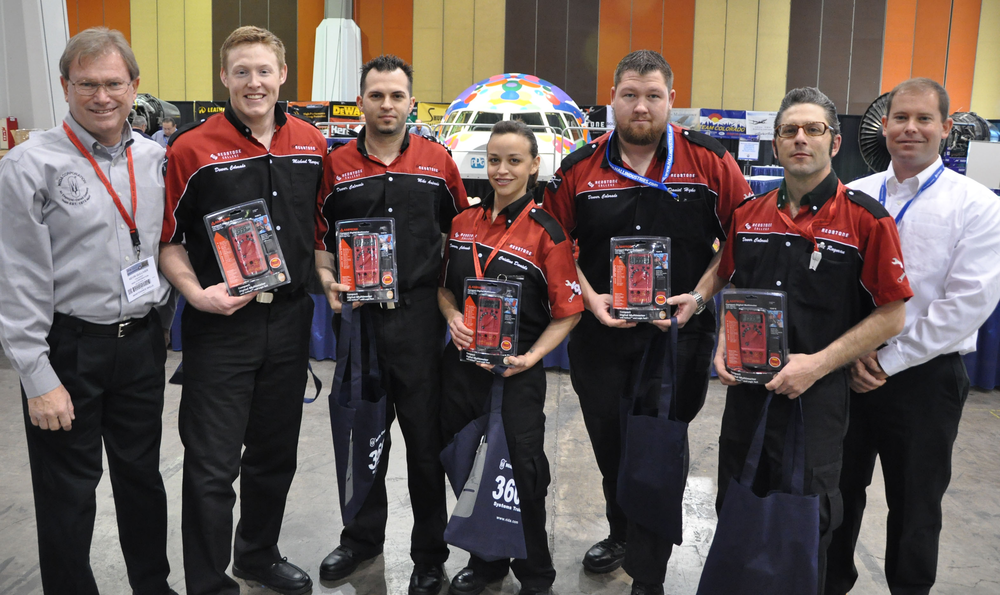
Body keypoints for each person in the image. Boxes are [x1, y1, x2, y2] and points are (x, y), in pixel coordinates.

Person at [542, 49, 753, 595]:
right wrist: (589, 299)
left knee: (659, 450)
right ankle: (622, 533)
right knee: (611, 447)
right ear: (612, 98)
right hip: (601, 338)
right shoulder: (578, 168)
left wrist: (702, 296)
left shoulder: (710, 162)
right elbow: (554, 244)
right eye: (630, 95)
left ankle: (649, 572)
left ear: (671, 100)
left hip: (678, 338)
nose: (641, 106)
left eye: (653, 96)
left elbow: (745, 234)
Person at [702, 86, 913, 595]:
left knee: (806, 513)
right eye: (790, 131)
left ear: (834, 142)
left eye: (813, 129)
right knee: (736, 500)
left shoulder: (866, 219)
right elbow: (730, 283)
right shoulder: (748, 215)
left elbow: (892, 314)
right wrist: (722, 346)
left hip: (815, 402)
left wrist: (816, 365)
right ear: (774, 146)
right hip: (747, 396)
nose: (801, 139)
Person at [0, 27, 176, 595]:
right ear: (64, 86)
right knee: (68, 492)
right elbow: (17, 278)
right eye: (87, 85)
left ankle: (152, 585)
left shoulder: (154, 160)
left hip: (143, 342)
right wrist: (36, 376)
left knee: (142, 480)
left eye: (114, 84)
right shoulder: (30, 165)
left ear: (135, 87)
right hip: (69, 346)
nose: (102, 97)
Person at [159, 26, 325, 595]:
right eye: (241, 72)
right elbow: (169, 241)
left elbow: (319, 230)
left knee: (275, 455)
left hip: (291, 318)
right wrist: (194, 293)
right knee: (210, 467)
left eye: (263, 71)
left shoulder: (311, 142)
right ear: (224, 78)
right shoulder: (190, 149)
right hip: (221, 324)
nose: (254, 82)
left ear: (282, 76)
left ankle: (257, 555)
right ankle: (207, 583)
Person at [825, 78, 1000, 595]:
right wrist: (849, 355)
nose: (910, 129)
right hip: (848, 371)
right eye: (900, 117)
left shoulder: (977, 205)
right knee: (835, 494)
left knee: (916, 504)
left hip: (925, 380)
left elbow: (967, 304)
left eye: (924, 119)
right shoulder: (854, 194)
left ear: (946, 128)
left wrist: (887, 360)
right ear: (884, 124)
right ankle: (830, 583)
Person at [315, 54, 469, 595]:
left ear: (411, 101)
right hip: (358, 323)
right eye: (376, 95)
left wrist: (455, 311)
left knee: (426, 444)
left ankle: (429, 554)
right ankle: (360, 539)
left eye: (396, 96)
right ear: (361, 101)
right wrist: (328, 277)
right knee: (362, 437)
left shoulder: (437, 161)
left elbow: (462, 236)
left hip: (420, 322)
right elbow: (319, 238)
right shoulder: (335, 165)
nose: (387, 105)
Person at [438, 120, 583, 595]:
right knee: (466, 465)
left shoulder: (547, 233)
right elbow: (444, 289)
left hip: (515, 377)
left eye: (514, 160)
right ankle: (487, 563)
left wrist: (531, 357)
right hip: (461, 371)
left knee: (520, 473)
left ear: (534, 166)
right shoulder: (462, 223)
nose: (502, 170)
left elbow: (569, 311)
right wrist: (452, 317)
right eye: (494, 159)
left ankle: (535, 575)